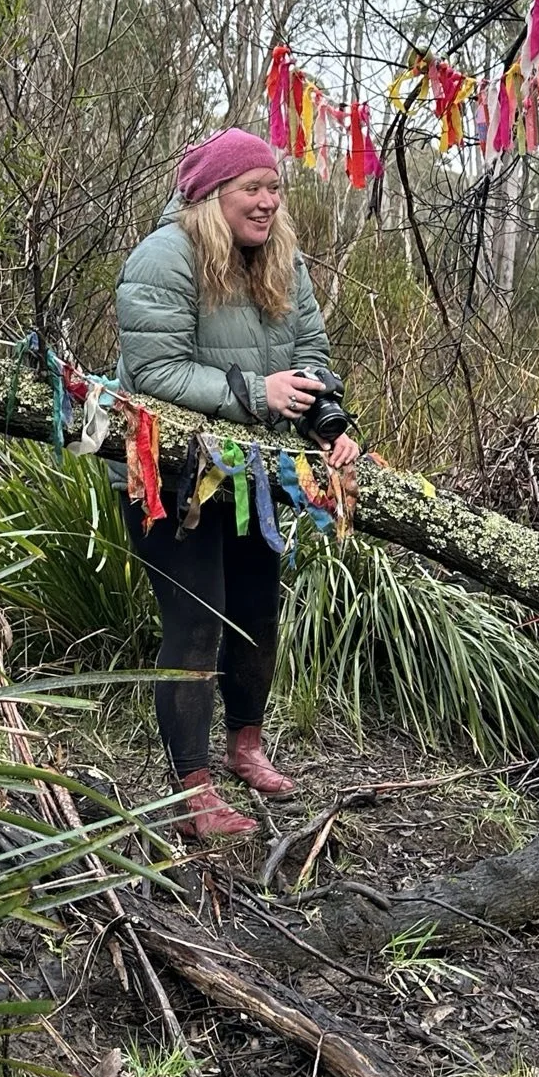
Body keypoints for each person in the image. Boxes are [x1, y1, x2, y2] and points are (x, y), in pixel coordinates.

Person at [114, 127, 360, 840]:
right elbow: (155, 372)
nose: (267, 202)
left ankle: (245, 746)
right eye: (251, 188)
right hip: (170, 476)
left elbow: (312, 354)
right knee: (197, 621)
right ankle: (191, 789)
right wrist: (256, 392)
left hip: (254, 473)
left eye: (274, 188)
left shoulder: (283, 256)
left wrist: (328, 422)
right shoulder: (163, 258)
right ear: (211, 195)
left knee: (256, 610)